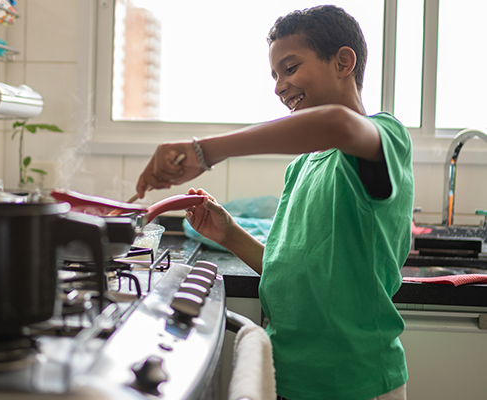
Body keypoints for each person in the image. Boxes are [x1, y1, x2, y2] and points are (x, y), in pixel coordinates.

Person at [136, 5, 413, 400]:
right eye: (275, 75)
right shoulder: (301, 168)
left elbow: (336, 123)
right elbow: (289, 274)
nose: (279, 86)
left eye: (290, 67)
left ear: (343, 61)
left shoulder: (385, 138)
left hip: (357, 380)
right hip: (290, 375)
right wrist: (230, 234)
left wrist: (205, 152)